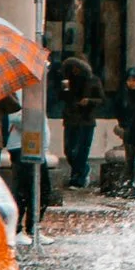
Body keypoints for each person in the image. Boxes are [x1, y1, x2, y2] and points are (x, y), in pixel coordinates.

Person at [55, 52, 98, 191]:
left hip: (86, 121)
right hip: (70, 119)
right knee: (69, 150)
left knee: (81, 151)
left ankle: (78, 177)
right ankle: (81, 171)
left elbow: (101, 99)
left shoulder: (93, 81)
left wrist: (89, 101)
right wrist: (64, 89)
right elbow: (61, 98)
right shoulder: (68, 82)